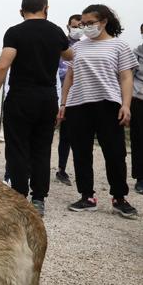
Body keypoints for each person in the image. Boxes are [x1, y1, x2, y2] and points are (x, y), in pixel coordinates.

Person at [0, 0, 73, 217]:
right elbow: (69, 56)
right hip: (47, 98)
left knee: (17, 147)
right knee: (42, 149)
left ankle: (18, 197)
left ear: (21, 11)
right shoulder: (56, 32)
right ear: (46, 8)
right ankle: (38, 200)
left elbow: (2, 66)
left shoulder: (15, 32)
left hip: (21, 97)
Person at [59, 5, 138, 218]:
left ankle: (119, 198)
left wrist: (126, 105)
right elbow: (70, 76)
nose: (85, 27)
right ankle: (87, 196)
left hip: (108, 103)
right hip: (78, 104)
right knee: (81, 152)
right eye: (83, 24)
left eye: (90, 23)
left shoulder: (119, 46)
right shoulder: (78, 48)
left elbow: (126, 77)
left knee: (115, 153)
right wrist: (63, 103)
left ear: (103, 22)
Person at [55, 14, 83, 186]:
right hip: (59, 94)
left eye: (81, 26)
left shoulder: (84, 46)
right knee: (57, 135)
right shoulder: (59, 45)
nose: (78, 29)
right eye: (75, 26)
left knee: (73, 136)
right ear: (68, 27)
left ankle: (67, 170)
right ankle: (58, 169)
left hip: (78, 96)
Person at [132, 22, 143, 194]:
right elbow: (128, 77)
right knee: (139, 139)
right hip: (139, 99)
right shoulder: (136, 53)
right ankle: (140, 178)